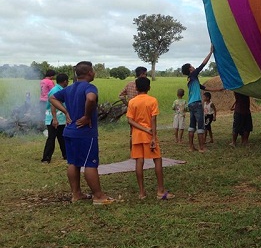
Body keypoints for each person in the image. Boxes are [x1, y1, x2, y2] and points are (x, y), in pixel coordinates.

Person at [49, 61, 114, 205]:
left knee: (73, 163)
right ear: (90, 73)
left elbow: (52, 98)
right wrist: (86, 116)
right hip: (84, 133)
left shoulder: (69, 89)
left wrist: (66, 111)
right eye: (94, 71)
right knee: (90, 163)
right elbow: (91, 98)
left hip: (69, 131)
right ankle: (98, 196)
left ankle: (76, 194)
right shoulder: (90, 87)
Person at [126, 77, 173, 200]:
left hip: (137, 136)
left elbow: (130, 120)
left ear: (136, 88)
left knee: (139, 162)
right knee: (157, 160)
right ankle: (160, 191)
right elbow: (153, 120)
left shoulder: (132, 102)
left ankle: (142, 192)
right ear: (149, 88)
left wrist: (141, 128)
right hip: (149, 135)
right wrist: (151, 135)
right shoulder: (152, 101)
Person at [181, 45, 213, 152]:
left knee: (192, 126)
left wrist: (218, 89)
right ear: (190, 69)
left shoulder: (190, 79)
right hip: (197, 103)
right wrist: (211, 52)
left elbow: (204, 87)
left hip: (191, 104)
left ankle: (191, 147)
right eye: (192, 66)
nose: (194, 67)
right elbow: (203, 65)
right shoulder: (193, 74)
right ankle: (202, 148)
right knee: (200, 126)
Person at [41, 73, 69, 163]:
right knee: (51, 138)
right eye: (67, 81)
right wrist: (55, 119)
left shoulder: (60, 89)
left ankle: (66, 155)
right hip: (54, 119)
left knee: (62, 137)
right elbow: (53, 105)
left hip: (61, 118)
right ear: (65, 81)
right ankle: (46, 158)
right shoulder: (55, 90)